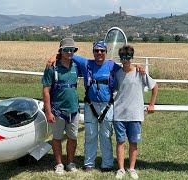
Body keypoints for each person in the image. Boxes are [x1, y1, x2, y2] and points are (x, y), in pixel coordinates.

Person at [47, 41, 144, 172]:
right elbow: (67, 54)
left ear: (106, 52)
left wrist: (138, 67)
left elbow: (127, 68)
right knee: (90, 135)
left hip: (107, 106)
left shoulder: (112, 66)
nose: (99, 53)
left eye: (102, 51)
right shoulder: (86, 64)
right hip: (90, 105)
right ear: (93, 52)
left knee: (106, 135)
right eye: (96, 50)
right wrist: (54, 56)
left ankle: (107, 164)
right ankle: (89, 164)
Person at [113, 45, 158, 179]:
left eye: (128, 57)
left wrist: (151, 104)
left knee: (133, 142)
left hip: (135, 114)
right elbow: (114, 90)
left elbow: (154, 86)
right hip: (119, 114)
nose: (125, 60)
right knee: (120, 142)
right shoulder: (117, 74)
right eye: (123, 58)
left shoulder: (140, 73)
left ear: (132, 58)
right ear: (120, 59)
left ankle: (132, 168)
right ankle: (121, 169)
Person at [42, 38, 81, 174]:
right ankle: (59, 164)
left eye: (72, 49)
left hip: (74, 110)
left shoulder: (76, 66)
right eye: (66, 49)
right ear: (60, 51)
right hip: (57, 110)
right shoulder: (51, 68)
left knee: (72, 138)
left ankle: (70, 162)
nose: (70, 52)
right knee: (57, 138)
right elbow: (46, 90)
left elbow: (96, 64)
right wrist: (48, 112)